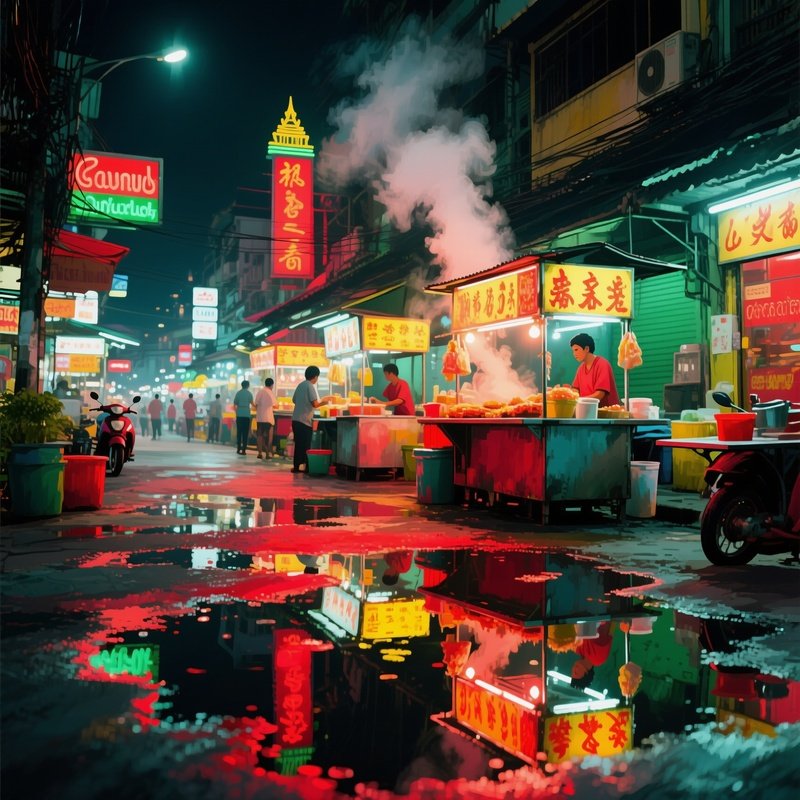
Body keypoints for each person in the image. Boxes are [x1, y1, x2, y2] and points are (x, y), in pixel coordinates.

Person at [291, 365, 332, 474]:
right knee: (306, 446)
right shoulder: (310, 386)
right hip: (304, 421)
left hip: (296, 420)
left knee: (298, 444)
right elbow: (315, 404)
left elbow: (294, 400)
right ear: (315, 376)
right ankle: (307, 468)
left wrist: (303, 402)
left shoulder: (300, 385)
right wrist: (325, 402)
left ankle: (296, 467)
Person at [570, 333, 621, 408]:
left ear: (587, 349)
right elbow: (575, 389)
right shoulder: (581, 368)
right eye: (573, 351)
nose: (574, 354)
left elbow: (599, 394)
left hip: (606, 412)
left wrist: (579, 401)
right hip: (587, 409)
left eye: (576, 350)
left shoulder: (602, 364)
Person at [254, 378, 276, 459]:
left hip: (260, 418)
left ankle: (260, 453)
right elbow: (275, 405)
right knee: (268, 437)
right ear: (272, 385)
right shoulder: (270, 393)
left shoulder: (260, 392)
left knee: (259, 436)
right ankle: (267, 453)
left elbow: (256, 404)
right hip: (268, 419)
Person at [233, 380, 254, 455]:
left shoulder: (238, 393)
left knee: (239, 432)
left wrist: (237, 412)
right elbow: (252, 404)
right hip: (246, 415)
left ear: (241, 385)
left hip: (239, 415)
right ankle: (244, 450)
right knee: (245, 433)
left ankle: (238, 448)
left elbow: (235, 404)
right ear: (248, 386)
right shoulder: (249, 394)